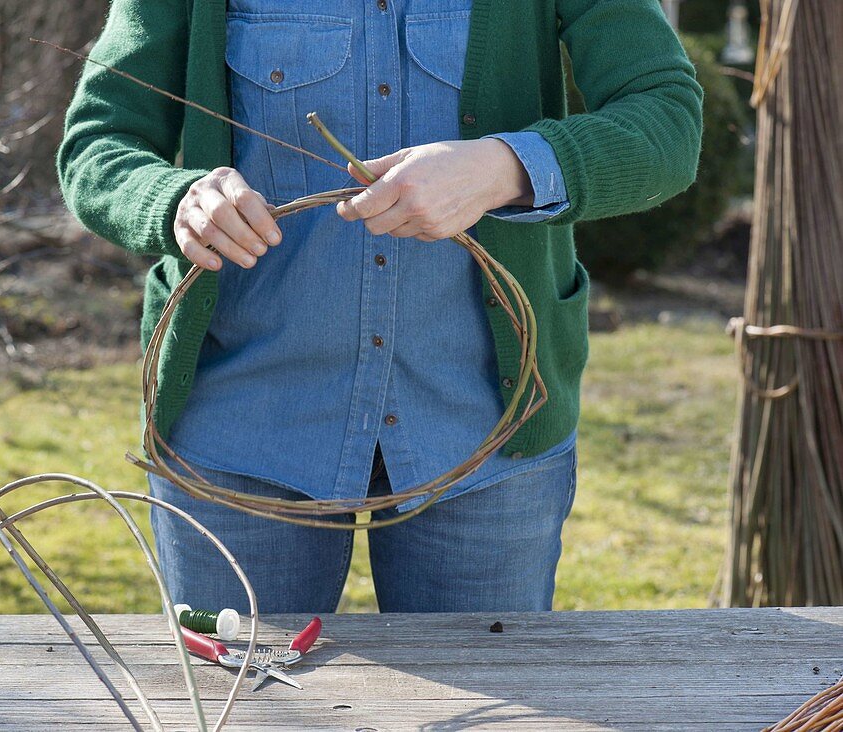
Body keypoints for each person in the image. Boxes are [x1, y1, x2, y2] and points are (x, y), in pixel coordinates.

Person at [57, 0, 703, 614]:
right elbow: (99, 142)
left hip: (487, 424)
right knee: (239, 705)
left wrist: (503, 167)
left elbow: (668, 119)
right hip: (240, 427)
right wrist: (176, 201)